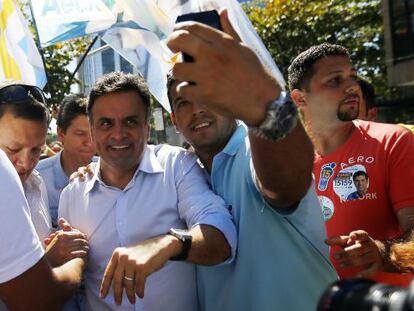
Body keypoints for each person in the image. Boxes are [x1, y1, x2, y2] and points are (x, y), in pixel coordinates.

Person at [166, 10, 337, 311]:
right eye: (184, 102)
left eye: (208, 97)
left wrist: (263, 108)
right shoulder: (179, 174)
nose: (198, 111)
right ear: (174, 121)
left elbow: (284, 185)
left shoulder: (254, 147)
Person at [59, 72, 237, 310]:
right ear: (92, 130)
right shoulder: (72, 196)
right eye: (106, 123)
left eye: (130, 122)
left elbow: (222, 236)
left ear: (147, 126)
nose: (118, 134)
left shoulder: (176, 166)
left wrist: (168, 245)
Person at [288, 43, 414, 286]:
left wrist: (383, 252)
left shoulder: (392, 141)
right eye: (335, 80)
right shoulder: (288, 162)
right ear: (300, 98)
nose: (352, 86)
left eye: (353, 77)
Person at [0, 82, 85, 310]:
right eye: (13, 149)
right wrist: (77, 259)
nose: (26, 163)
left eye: (36, 149)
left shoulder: (37, 184)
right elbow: (32, 297)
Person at [37, 94, 96, 227]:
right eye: (80, 134)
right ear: (61, 133)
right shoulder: (36, 178)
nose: (90, 142)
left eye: (94, 133)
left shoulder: (112, 173)